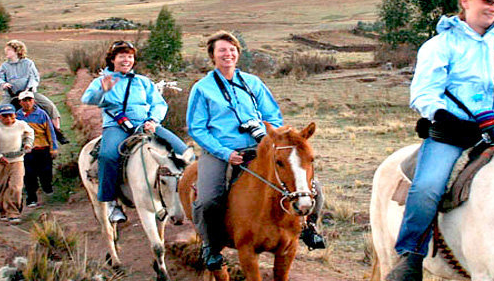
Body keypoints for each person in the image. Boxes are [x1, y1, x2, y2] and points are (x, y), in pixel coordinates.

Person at [386, 0, 494, 281]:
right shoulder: (441, 45)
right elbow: (424, 91)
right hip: (453, 134)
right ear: (466, 2)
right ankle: (410, 258)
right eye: (487, 1)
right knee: (428, 186)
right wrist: (441, 114)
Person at [186, 31, 324, 270]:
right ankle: (210, 246)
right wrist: (223, 152)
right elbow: (197, 128)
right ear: (212, 56)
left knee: (314, 188)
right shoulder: (202, 88)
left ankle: (309, 228)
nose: (227, 54)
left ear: (238, 53)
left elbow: (272, 115)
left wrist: (268, 134)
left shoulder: (252, 83)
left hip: (260, 146)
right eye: (222, 50)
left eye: (232, 50)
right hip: (221, 151)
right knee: (208, 199)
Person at [80, 40, 188, 224]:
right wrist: (102, 91)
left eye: (130, 56)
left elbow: (159, 104)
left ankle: (182, 195)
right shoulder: (102, 80)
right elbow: (88, 99)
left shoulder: (142, 82)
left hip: (145, 123)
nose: (126, 60)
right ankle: (112, 202)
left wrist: (153, 120)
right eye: (122, 56)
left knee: (184, 152)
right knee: (107, 156)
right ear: (113, 59)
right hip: (116, 125)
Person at [0, 39, 69, 145]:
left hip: (29, 93)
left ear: (17, 51)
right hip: (11, 95)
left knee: (50, 106)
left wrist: (29, 89)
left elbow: (34, 77)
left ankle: (57, 133)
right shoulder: (5, 66)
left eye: (9, 50)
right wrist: (3, 84)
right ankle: (0, 138)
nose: (6, 52)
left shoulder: (28, 63)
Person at [0, 104, 34, 223]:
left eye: (11, 115)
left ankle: (13, 213)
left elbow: (29, 133)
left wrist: (27, 144)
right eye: (5, 116)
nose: (8, 119)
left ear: (15, 115)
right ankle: (3, 211)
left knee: (16, 187)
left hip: (17, 160)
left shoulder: (21, 125)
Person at [15, 90, 58, 207]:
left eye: (30, 100)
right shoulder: (17, 116)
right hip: (27, 151)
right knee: (28, 174)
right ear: (20, 102)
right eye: (25, 100)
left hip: (42, 148)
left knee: (45, 171)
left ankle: (47, 187)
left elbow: (50, 131)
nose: (28, 103)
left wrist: (53, 147)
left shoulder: (42, 114)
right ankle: (31, 197)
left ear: (33, 101)